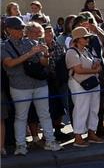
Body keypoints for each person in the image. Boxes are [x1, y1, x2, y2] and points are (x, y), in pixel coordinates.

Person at [3, 16, 61, 153]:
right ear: (8, 30)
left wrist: (46, 55)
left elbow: (42, 63)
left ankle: (50, 140)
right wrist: (30, 53)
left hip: (39, 83)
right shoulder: (4, 46)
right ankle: (21, 145)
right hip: (19, 85)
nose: (21, 30)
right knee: (21, 116)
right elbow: (9, 63)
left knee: (45, 114)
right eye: (18, 28)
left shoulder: (30, 42)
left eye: (22, 27)